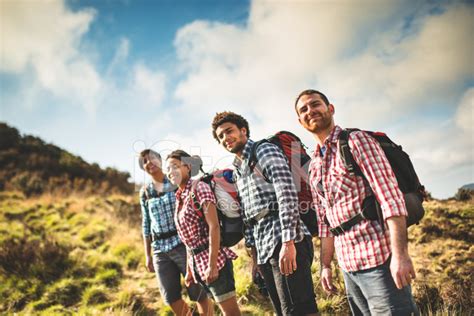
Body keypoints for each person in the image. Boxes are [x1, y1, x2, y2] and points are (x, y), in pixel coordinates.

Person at [295, 89, 419, 315]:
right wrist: (325, 266)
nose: (310, 111)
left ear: (330, 109)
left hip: (380, 258)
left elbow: (390, 197)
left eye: (315, 104)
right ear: (300, 122)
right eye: (304, 109)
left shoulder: (356, 141)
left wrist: (400, 255)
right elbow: (325, 223)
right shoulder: (314, 166)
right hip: (348, 266)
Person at [211, 112, 319, 316]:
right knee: (283, 312)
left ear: (243, 130)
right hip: (265, 250)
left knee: (300, 311)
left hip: (286, 240)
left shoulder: (264, 151)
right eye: (221, 136)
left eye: (229, 131)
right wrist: (256, 260)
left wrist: (288, 243)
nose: (226, 138)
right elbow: (249, 217)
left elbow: (286, 194)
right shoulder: (237, 170)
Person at [165, 150, 241, 316]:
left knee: (231, 313)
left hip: (215, 262)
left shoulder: (199, 188)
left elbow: (214, 227)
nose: (171, 172)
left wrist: (212, 265)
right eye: (168, 169)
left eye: (175, 166)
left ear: (188, 166)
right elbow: (187, 239)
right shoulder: (179, 196)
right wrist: (190, 270)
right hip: (198, 266)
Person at [138, 149, 210, 315]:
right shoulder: (145, 192)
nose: (149, 163)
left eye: (152, 159)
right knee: (170, 297)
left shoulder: (174, 181)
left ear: (160, 160)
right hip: (160, 250)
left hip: (182, 244)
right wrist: (148, 255)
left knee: (198, 291)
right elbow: (146, 224)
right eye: (145, 162)